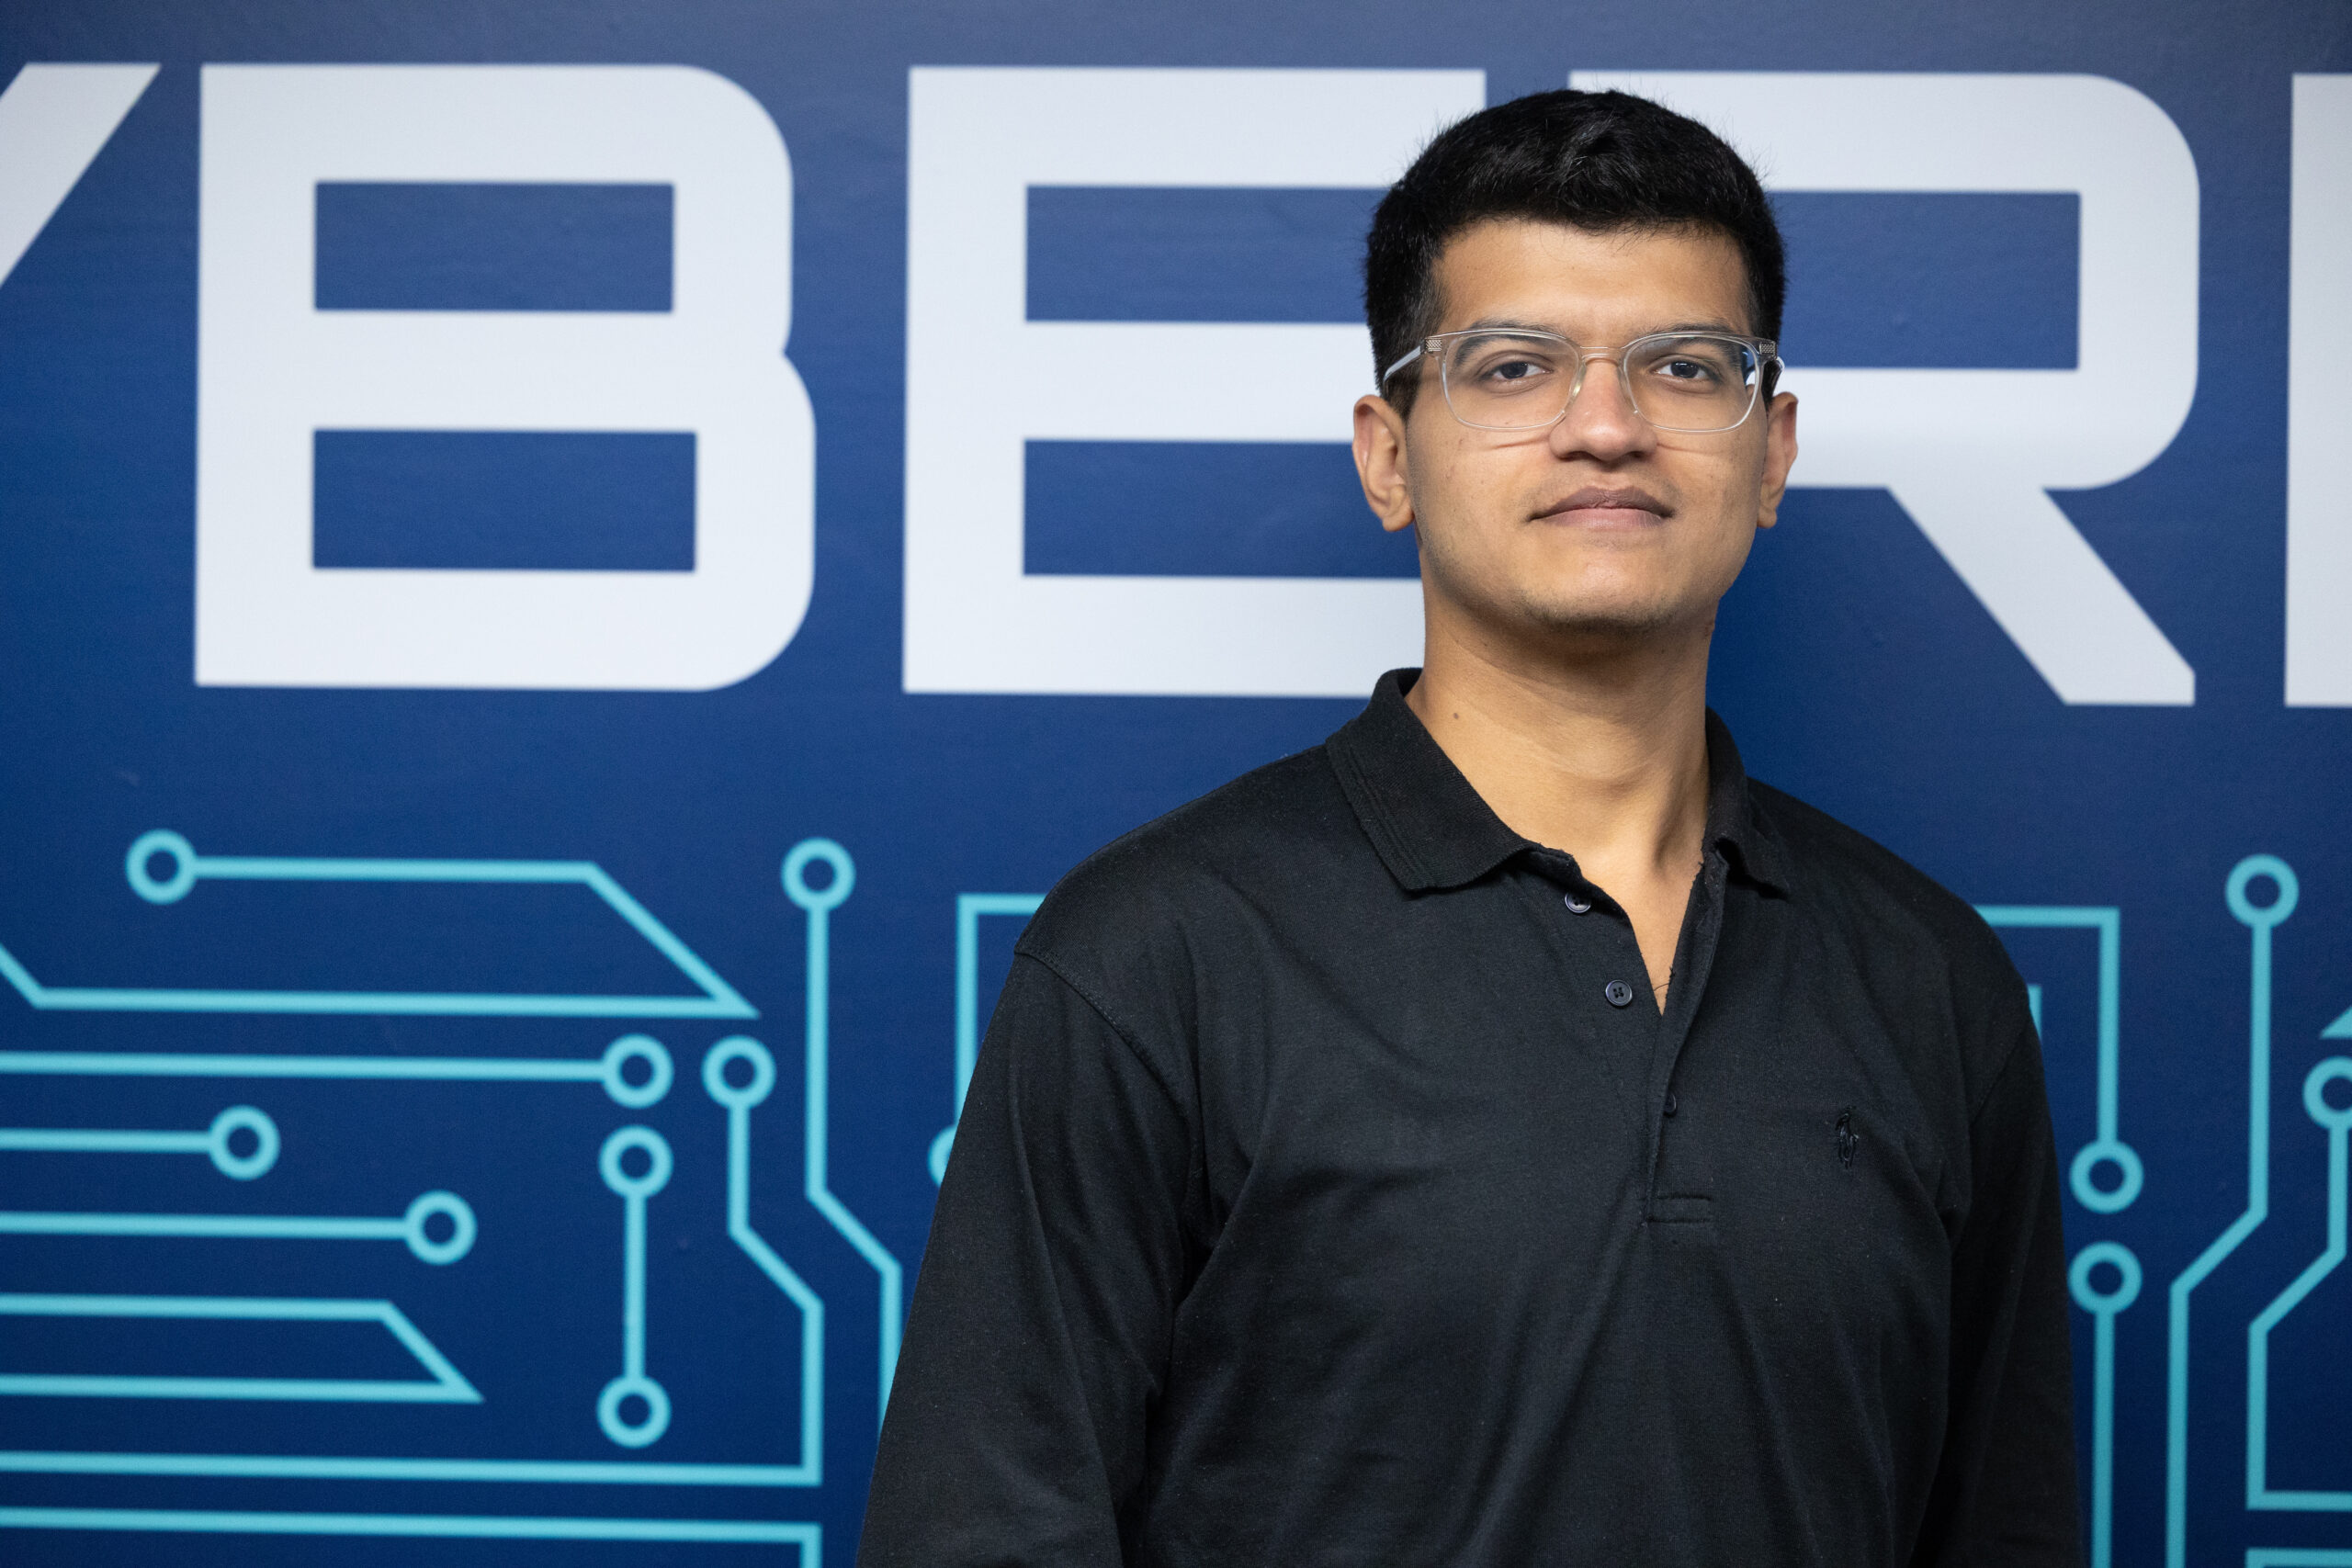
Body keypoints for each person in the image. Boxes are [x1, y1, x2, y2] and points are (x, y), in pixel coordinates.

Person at [859, 89, 2079, 1567]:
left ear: (1772, 454)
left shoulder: (1930, 981)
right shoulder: (1156, 958)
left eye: (1687, 368)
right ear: (1389, 455)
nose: (1609, 427)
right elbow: (984, 1531)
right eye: (1513, 368)